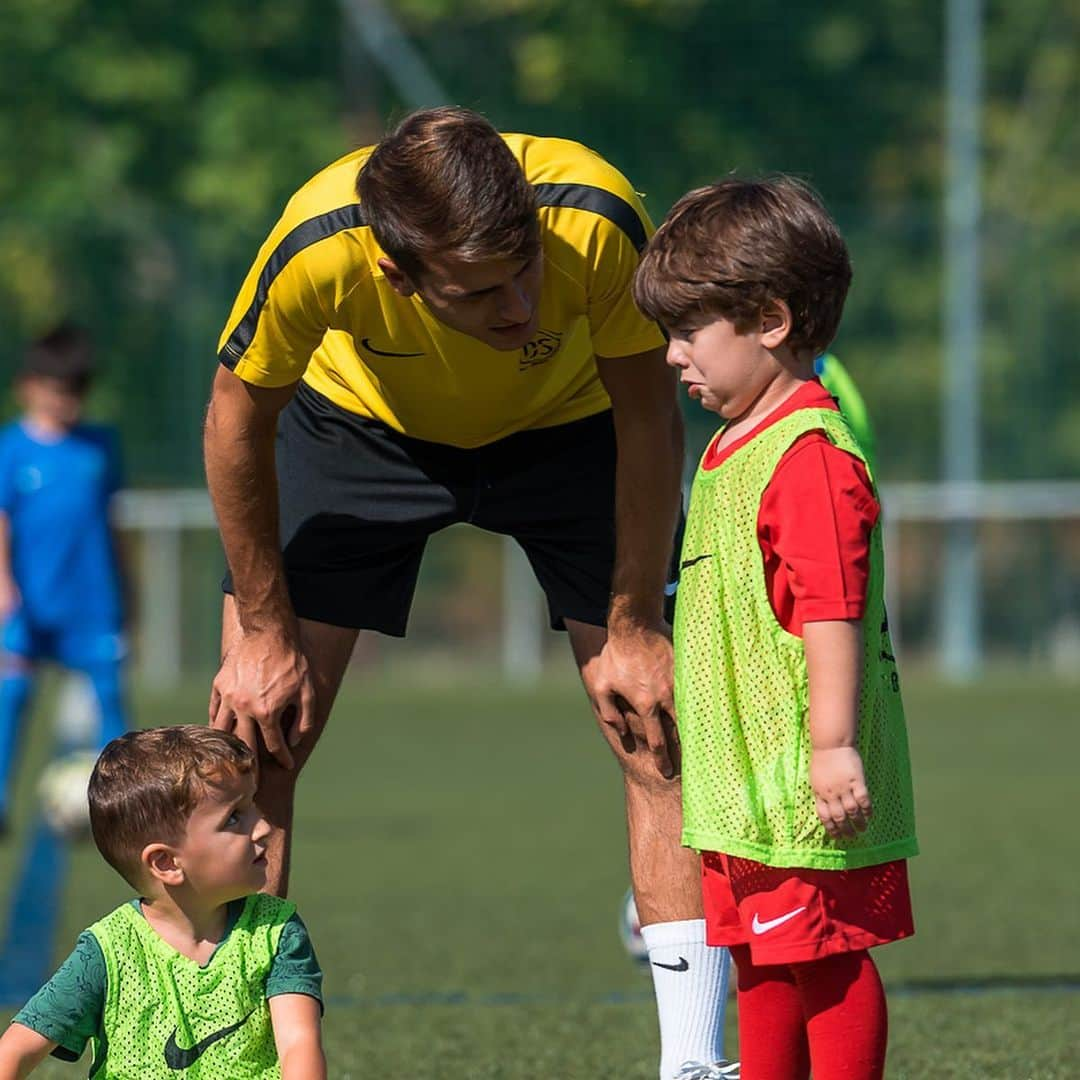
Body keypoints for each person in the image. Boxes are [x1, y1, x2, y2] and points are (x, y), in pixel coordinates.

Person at [204, 106, 733, 1077]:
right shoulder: (317, 245)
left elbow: (651, 418)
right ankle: (239, 1055)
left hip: (571, 429)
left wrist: (635, 622)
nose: (523, 307)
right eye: (484, 290)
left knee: (657, 726)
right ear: (396, 274)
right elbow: (236, 418)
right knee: (256, 744)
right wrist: (263, 630)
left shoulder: (596, 218)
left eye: (527, 267)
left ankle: (695, 1062)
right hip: (355, 426)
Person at [633, 177, 918, 1080]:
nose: (674, 356)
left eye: (690, 332)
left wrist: (832, 747)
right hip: (740, 788)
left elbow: (831, 611)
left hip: (798, 782)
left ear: (769, 318)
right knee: (758, 961)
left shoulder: (807, 456)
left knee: (824, 962)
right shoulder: (729, 445)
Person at [0, 725, 325, 1077]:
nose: (262, 827)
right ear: (167, 863)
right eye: (234, 817)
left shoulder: (276, 932)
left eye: (252, 807)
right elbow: (14, 1051)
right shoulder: (108, 951)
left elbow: (298, 1043)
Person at [0, 324, 129, 831]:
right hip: (30, 602)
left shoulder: (100, 446)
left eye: (75, 391)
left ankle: (125, 808)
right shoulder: (11, 449)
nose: (65, 401)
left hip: (92, 601)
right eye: (56, 389)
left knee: (111, 703)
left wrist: (129, 589)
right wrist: (5, 585)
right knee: (11, 696)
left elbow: (113, 522)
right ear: (27, 387)